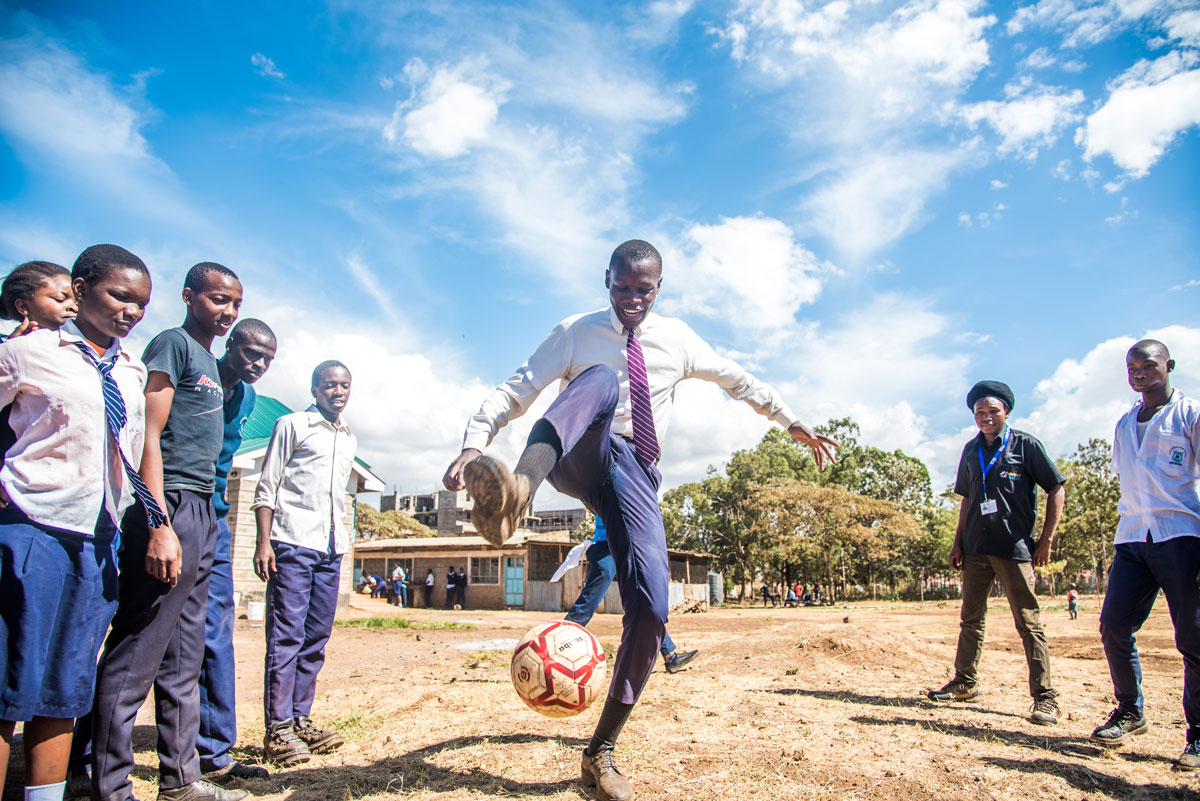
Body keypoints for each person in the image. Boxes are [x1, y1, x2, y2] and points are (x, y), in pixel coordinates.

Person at [443, 239, 837, 801]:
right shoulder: (576, 331)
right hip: (576, 454)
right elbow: (519, 387)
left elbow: (740, 380)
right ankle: (515, 496)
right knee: (601, 379)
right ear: (606, 280)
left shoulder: (677, 339)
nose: (631, 300)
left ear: (659, 287)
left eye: (643, 290)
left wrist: (791, 421)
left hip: (636, 474)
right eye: (621, 287)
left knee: (651, 610)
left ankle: (598, 753)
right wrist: (472, 443)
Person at [0, 245, 154, 801]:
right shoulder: (28, 353)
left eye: (140, 304)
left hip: (96, 541)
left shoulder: (131, 371)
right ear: (81, 287)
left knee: (64, 689)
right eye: (119, 295)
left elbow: (135, 451)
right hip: (32, 528)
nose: (130, 311)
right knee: (9, 687)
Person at [90, 262, 247, 801]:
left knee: (185, 656)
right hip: (170, 506)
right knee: (138, 652)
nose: (226, 312)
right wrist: (158, 522)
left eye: (234, 304)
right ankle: (107, 785)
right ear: (189, 296)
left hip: (205, 511)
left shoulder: (210, 360)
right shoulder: (172, 345)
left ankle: (182, 779)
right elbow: (148, 435)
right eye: (217, 300)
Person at [927, 380, 1066, 727]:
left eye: (993, 411)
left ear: (1006, 411)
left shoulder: (1026, 446)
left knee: (1028, 623)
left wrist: (1046, 540)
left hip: (1014, 548)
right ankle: (964, 682)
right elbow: (968, 499)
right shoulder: (970, 450)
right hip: (975, 549)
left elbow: (1056, 488)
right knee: (970, 620)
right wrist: (957, 543)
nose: (986, 417)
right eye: (980, 412)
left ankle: (1045, 698)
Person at [1090, 339, 1200, 770]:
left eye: (1147, 364)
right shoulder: (1123, 423)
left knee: (1192, 638)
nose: (1138, 371)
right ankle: (1130, 710)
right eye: (1131, 366)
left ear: (1168, 366)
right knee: (1114, 626)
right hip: (1132, 537)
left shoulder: (1189, 414)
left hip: (1181, 536)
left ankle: (1198, 736)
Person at [253, 361, 356, 766]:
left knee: (316, 637)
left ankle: (301, 719)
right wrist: (265, 543)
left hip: (331, 548)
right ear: (314, 389)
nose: (338, 391)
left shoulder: (348, 437)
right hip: (291, 542)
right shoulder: (292, 425)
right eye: (330, 385)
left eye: (345, 385)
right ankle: (277, 730)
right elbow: (267, 486)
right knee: (286, 637)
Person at [197, 320, 277, 783]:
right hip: (170, 511)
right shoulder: (194, 372)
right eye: (250, 353)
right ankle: (91, 756)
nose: (258, 364)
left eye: (267, 359)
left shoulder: (246, 399)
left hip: (213, 520)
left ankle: (214, 753)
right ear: (231, 347)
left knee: (216, 634)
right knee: (140, 635)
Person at [564, 516, 699, 674]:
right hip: (606, 545)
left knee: (642, 600)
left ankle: (670, 655)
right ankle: (562, 635)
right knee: (597, 586)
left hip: (627, 544)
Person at [0, 260, 78, 340]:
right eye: (60, 299)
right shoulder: (10, 349)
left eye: (77, 302)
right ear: (23, 306)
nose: (75, 308)